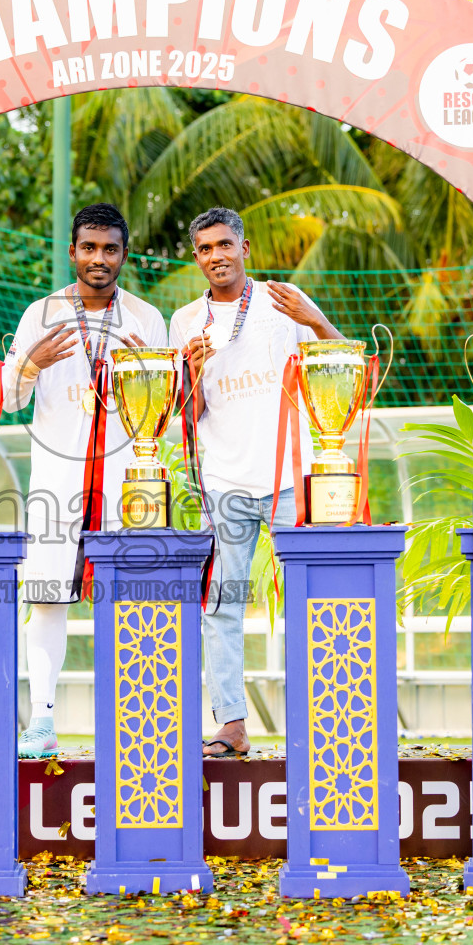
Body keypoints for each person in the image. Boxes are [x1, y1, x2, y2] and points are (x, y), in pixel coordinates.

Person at [169, 206, 343, 758]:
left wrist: (316, 320)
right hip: (223, 482)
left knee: (311, 599)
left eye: (224, 244)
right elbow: (188, 415)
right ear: (196, 258)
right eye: (205, 249)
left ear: (244, 248)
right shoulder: (184, 321)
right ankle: (232, 725)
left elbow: (342, 367)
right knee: (221, 604)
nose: (216, 256)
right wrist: (191, 373)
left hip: (291, 476)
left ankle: (321, 722)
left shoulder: (283, 300)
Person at [3, 203, 167, 758]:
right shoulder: (40, 313)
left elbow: (163, 414)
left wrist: (151, 373)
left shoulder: (145, 317)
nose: (99, 258)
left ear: (124, 254)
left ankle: (134, 720)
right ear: (72, 251)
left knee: (128, 601)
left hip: (126, 483)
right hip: (58, 482)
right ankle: (41, 721)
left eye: (110, 249)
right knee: (47, 600)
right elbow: (9, 400)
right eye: (89, 248)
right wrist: (31, 362)